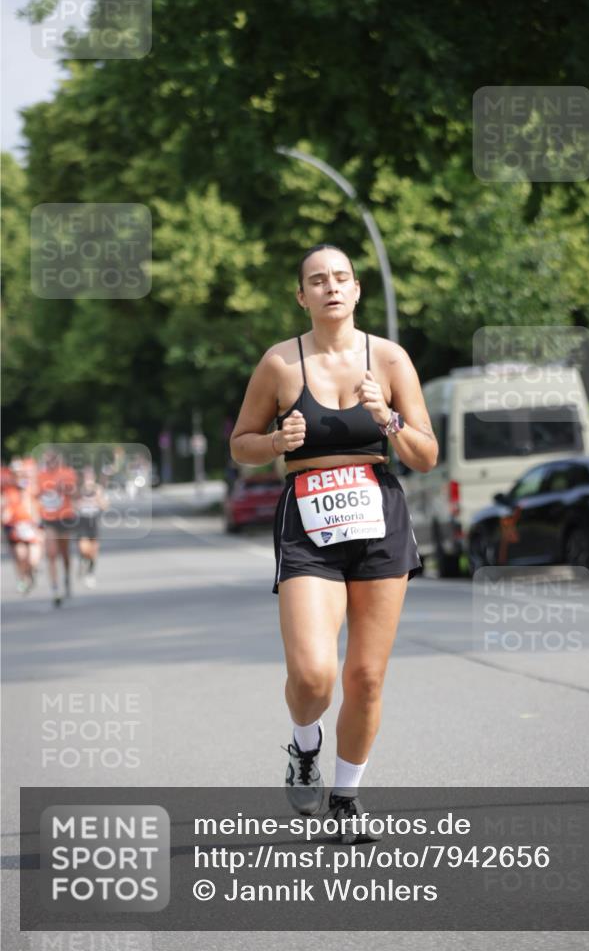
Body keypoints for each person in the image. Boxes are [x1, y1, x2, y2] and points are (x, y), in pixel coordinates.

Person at [230, 244, 438, 843]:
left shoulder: (390, 359)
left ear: (357, 289)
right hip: (308, 522)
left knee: (366, 677)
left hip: (378, 515)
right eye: (318, 280)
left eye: (342, 278)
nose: (332, 288)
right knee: (314, 675)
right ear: (302, 296)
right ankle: (304, 745)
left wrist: (388, 418)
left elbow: (426, 455)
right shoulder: (280, 364)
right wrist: (276, 443)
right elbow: (241, 443)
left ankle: (346, 798)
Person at [36, 450, 78, 607]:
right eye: (47, 460)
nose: (50, 463)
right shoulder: (40, 476)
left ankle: (66, 577)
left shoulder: (67, 473)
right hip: (48, 519)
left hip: (65, 517)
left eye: (52, 460)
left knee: (65, 553)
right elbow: (35, 495)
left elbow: (75, 493)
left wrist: (64, 488)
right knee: (51, 554)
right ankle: (55, 589)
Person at [1, 461, 42, 593]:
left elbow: (37, 504)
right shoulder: (7, 490)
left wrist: (37, 523)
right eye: (15, 473)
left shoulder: (30, 487)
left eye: (20, 473)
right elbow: (4, 507)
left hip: (31, 526)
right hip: (15, 527)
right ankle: (23, 578)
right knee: (20, 555)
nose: (17, 476)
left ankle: (30, 573)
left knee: (33, 560)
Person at [76, 467, 108, 588]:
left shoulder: (98, 489)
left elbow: (105, 506)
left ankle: (90, 573)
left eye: (90, 477)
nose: (88, 479)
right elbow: (73, 505)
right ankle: (82, 560)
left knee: (93, 552)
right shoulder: (78, 490)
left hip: (94, 522)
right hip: (82, 522)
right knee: (84, 548)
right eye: (86, 477)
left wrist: (98, 498)